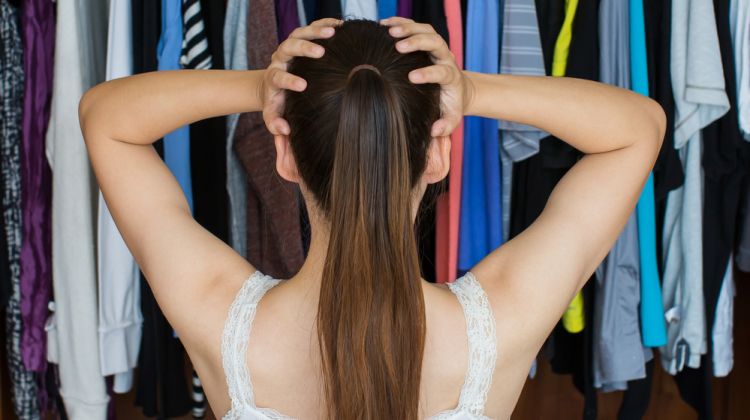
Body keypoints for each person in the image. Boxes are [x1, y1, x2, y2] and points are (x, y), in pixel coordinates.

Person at [78, 17, 665, 420]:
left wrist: (262, 87)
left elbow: (105, 116)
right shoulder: (502, 321)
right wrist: (470, 90)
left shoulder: (219, 316)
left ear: (284, 154)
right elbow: (639, 128)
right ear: (438, 155)